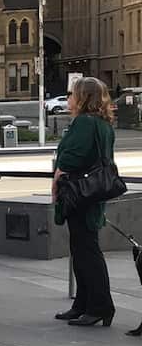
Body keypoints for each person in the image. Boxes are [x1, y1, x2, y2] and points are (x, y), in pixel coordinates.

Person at [53, 76, 118, 329]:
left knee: (86, 251)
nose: (68, 99)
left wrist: (58, 174)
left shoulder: (83, 123)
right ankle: (83, 303)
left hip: (80, 193)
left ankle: (99, 306)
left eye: (72, 94)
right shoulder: (103, 124)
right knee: (83, 248)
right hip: (93, 192)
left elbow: (72, 157)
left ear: (83, 97)